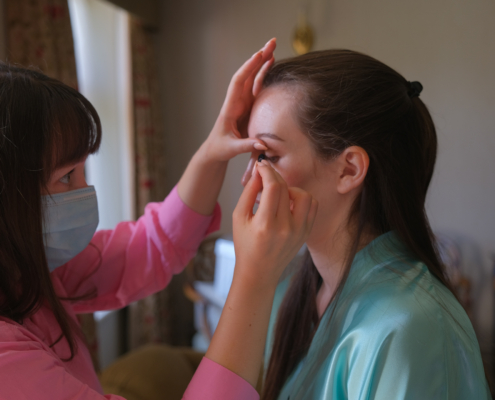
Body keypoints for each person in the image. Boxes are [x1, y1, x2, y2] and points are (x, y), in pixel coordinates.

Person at [0, 39, 317, 399]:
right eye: (67, 177)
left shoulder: (28, 271)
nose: (85, 190)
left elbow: (149, 246)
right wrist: (254, 277)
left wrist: (214, 151)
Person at [228, 49, 490, 399]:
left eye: (266, 157)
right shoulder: (296, 293)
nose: (250, 179)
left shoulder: (410, 326)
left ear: (349, 169)